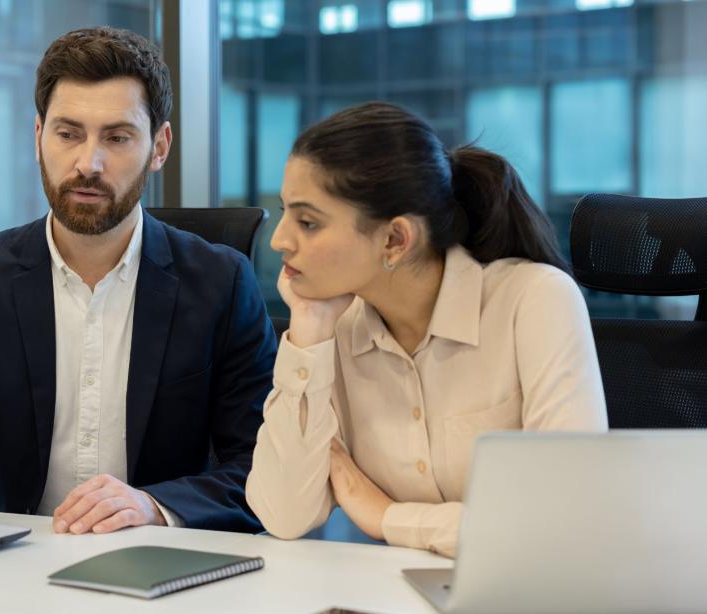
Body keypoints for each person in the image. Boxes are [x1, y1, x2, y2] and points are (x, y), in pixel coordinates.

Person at [0, 27, 276, 534]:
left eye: (117, 137)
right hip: (15, 563)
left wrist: (153, 506)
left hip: (161, 560)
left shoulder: (221, 283)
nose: (89, 163)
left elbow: (262, 473)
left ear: (159, 146)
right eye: (68, 134)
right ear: (38, 137)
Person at [245, 102, 608, 558]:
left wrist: (387, 517)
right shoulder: (334, 332)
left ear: (395, 239)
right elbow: (284, 516)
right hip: (392, 590)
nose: (279, 239)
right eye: (284, 213)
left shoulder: (533, 299)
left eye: (308, 222)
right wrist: (309, 333)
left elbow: (569, 517)